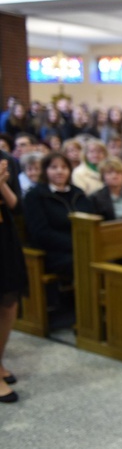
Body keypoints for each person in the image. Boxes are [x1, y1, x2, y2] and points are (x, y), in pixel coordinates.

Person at [24, 152, 93, 276]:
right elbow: (41, 233)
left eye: (64, 167)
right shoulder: (35, 196)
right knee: (85, 263)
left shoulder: (78, 193)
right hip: (53, 252)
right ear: (45, 171)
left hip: (83, 246)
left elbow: (92, 219)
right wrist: (76, 244)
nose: (60, 171)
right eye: (54, 167)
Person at [0, 148, 26, 403]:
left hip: (4, 235)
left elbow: (18, 206)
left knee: (9, 300)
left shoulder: (6, 159)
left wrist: (2, 185)